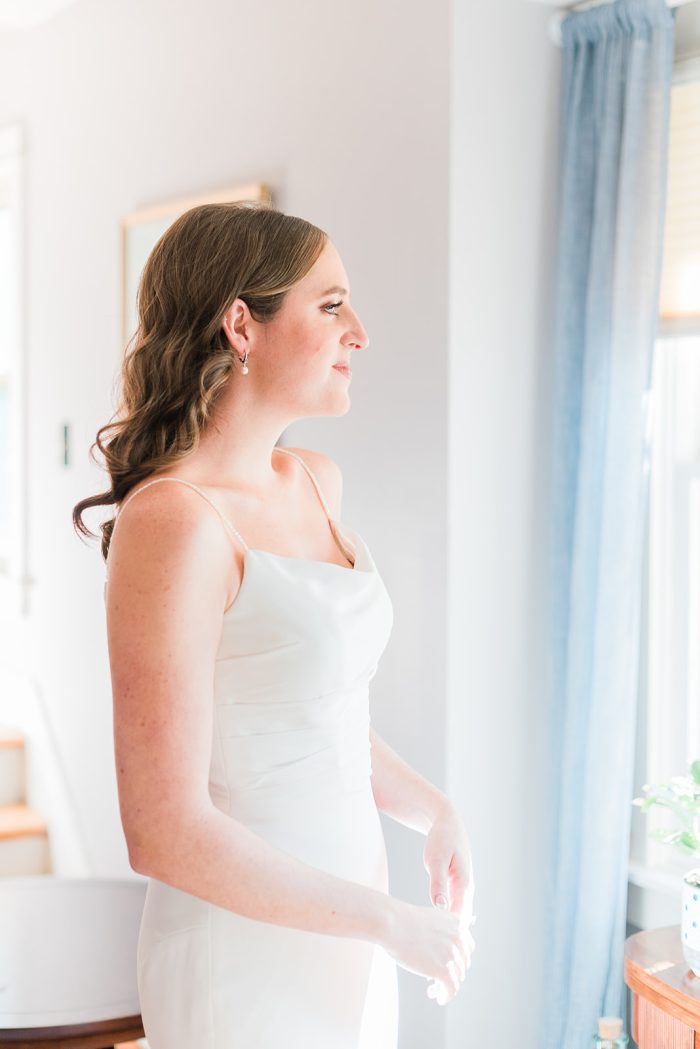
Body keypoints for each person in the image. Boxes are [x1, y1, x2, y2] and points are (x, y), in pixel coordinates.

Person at [72, 201, 476, 1049]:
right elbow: (162, 829)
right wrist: (388, 923)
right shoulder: (173, 522)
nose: (359, 332)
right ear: (240, 326)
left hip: (352, 930)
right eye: (330, 305)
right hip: (244, 951)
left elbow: (318, 716)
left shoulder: (317, 482)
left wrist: (434, 809)